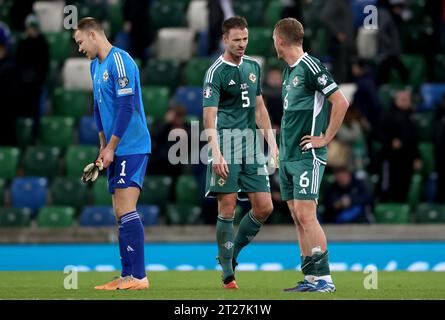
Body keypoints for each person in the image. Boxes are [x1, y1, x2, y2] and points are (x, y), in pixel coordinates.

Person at [73, 17, 151, 290]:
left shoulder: (121, 61)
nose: (79, 48)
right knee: (120, 210)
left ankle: (139, 277)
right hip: (116, 148)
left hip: (133, 146)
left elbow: (127, 108)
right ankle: (127, 274)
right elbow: (98, 110)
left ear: (93, 34)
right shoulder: (95, 66)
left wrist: (112, 147)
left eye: (80, 42)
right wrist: (102, 148)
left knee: (126, 207)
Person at [273, 18, 349, 292]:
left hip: (307, 155)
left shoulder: (310, 66)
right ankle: (310, 277)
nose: (273, 44)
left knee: (306, 214)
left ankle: (325, 279)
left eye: (273, 39)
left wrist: (326, 138)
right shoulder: (288, 71)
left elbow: (340, 101)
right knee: (296, 214)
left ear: (280, 40)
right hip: (289, 155)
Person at [202, 16, 278, 289]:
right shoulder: (215, 72)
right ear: (225, 39)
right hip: (226, 144)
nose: (242, 44)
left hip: (251, 146)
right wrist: (217, 153)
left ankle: (229, 256)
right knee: (228, 207)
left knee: (265, 207)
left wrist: (273, 144)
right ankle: (227, 273)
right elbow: (208, 117)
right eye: (236, 40)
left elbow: (259, 109)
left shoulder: (252, 67)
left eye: (245, 39)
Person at [15, 14, 49, 141]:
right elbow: (18, 64)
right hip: (22, 84)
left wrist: (36, 81)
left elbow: (44, 66)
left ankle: (35, 136)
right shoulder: (22, 43)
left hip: (37, 85)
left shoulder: (42, 43)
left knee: (37, 110)